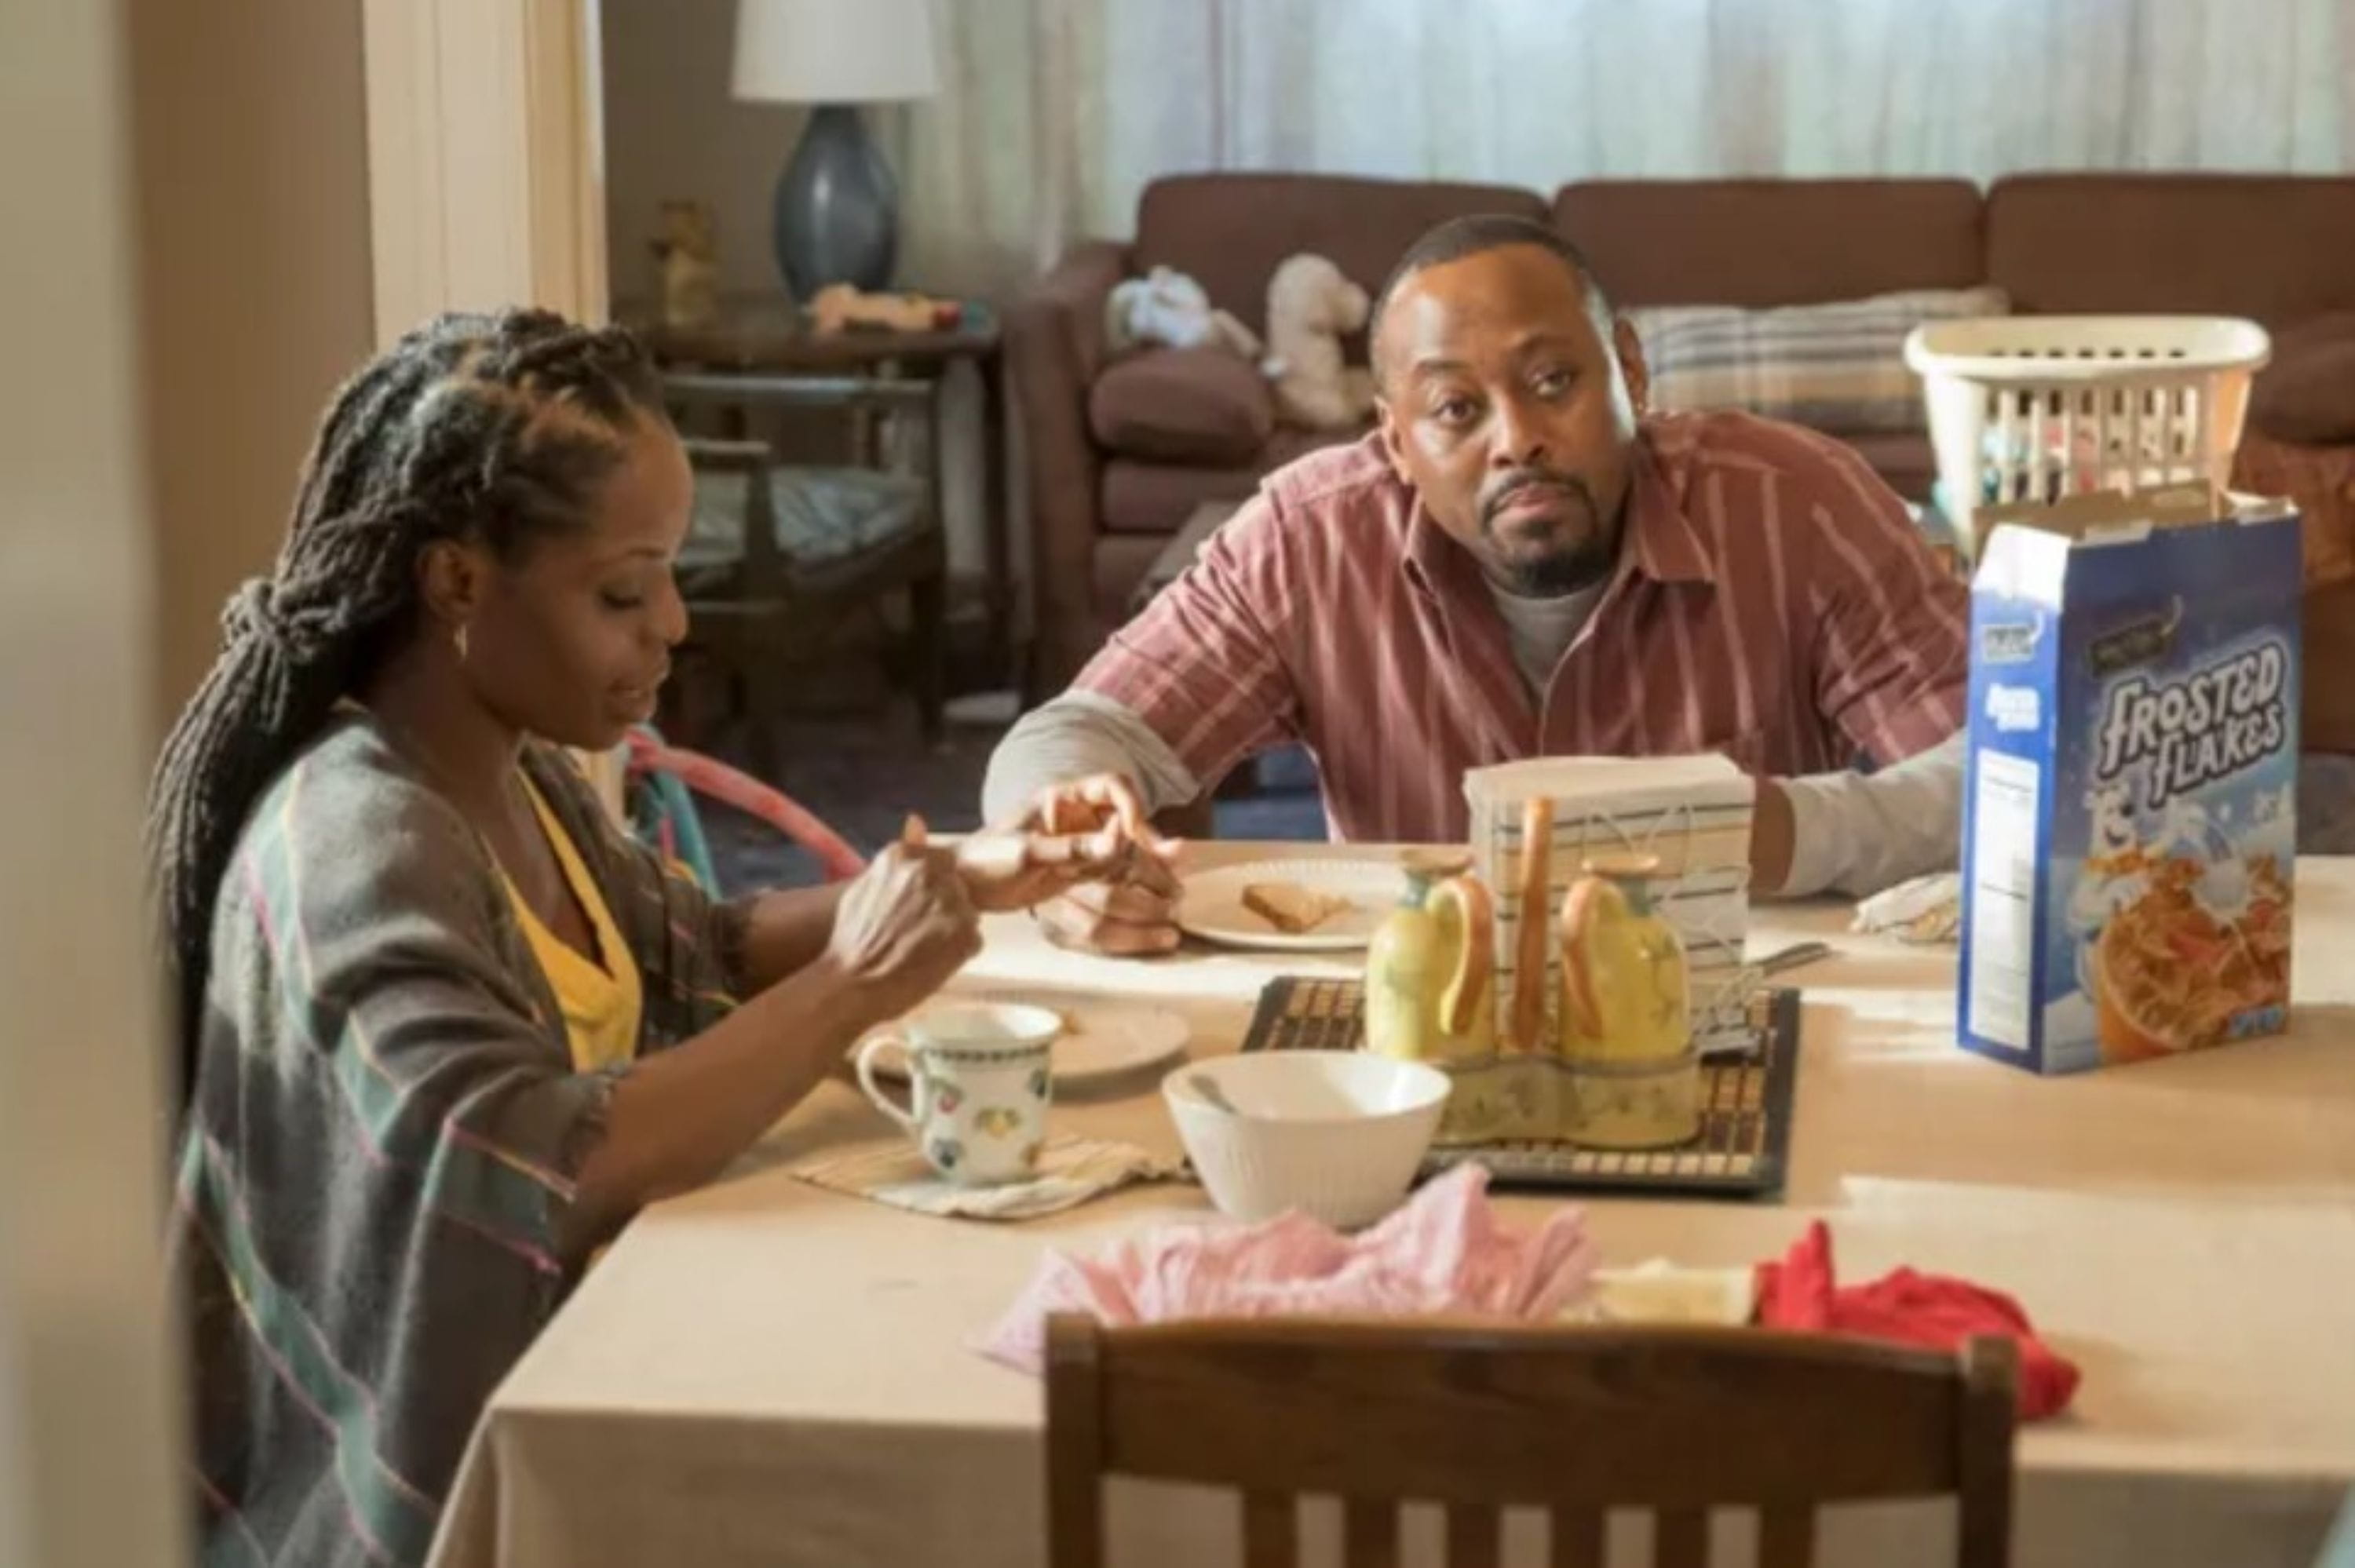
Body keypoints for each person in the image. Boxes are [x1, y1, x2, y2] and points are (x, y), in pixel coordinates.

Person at [149, 309, 1142, 1566]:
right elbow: (526, 1171)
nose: (673, 622)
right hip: (425, 1511)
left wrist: (967, 872)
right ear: (458, 580)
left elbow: (704, 946)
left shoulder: (510, 767)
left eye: (670, 573)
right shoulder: (359, 844)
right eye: (625, 589)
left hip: (590, 1358)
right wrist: (855, 983)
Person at [985, 213, 1969, 956]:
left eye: (1554, 384)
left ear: (1630, 370)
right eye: (1456, 408)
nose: (1517, 439)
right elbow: (1073, 735)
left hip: (1741, 1006)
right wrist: (1062, 835)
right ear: (1397, 441)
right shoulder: (1310, 538)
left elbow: (2008, 781)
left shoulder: (1797, 505)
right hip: (1416, 1040)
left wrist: (1790, 829)